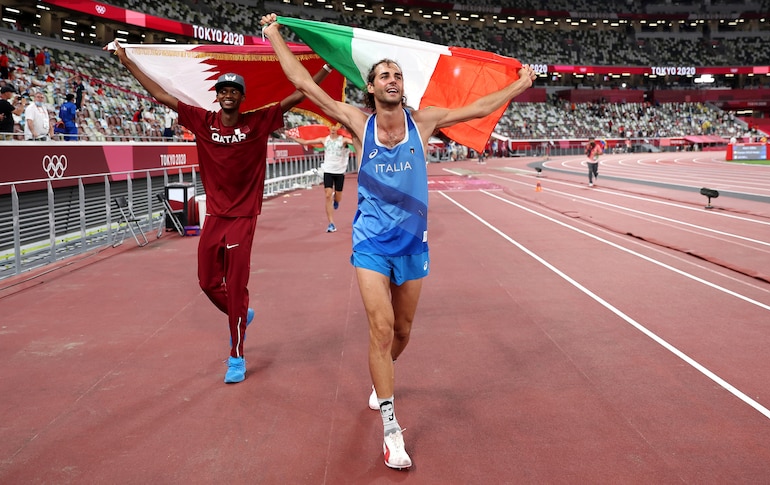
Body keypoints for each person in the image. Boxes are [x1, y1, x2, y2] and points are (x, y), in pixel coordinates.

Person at [262, 14, 536, 470]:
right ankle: (391, 428)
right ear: (370, 87)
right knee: (382, 328)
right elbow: (303, 83)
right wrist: (274, 35)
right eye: (385, 75)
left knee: (403, 332)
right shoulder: (358, 122)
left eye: (398, 75)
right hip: (371, 240)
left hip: (412, 243)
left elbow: (478, 108)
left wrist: (518, 85)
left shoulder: (423, 122)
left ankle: (381, 373)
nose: (393, 79)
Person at [113, 40, 331, 384]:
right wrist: (127, 62)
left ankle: (236, 356)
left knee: (237, 285)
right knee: (207, 282)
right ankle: (240, 313)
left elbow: (297, 95)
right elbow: (161, 95)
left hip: (243, 218)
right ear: (217, 96)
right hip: (214, 216)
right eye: (223, 90)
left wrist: (327, 68)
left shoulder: (257, 122)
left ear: (242, 98)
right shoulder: (202, 120)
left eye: (234, 91)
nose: (228, 94)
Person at [292, 124, 353, 232]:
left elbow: (355, 142)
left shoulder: (343, 140)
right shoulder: (324, 140)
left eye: (335, 127)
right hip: (328, 171)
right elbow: (305, 142)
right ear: (328, 128)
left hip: (339, 172)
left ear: (338, 129)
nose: (333, 129)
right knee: (328, 195)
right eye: (331, 127)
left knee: (338, 196)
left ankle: (336, 200)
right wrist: (292, 136)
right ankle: (331, 223)